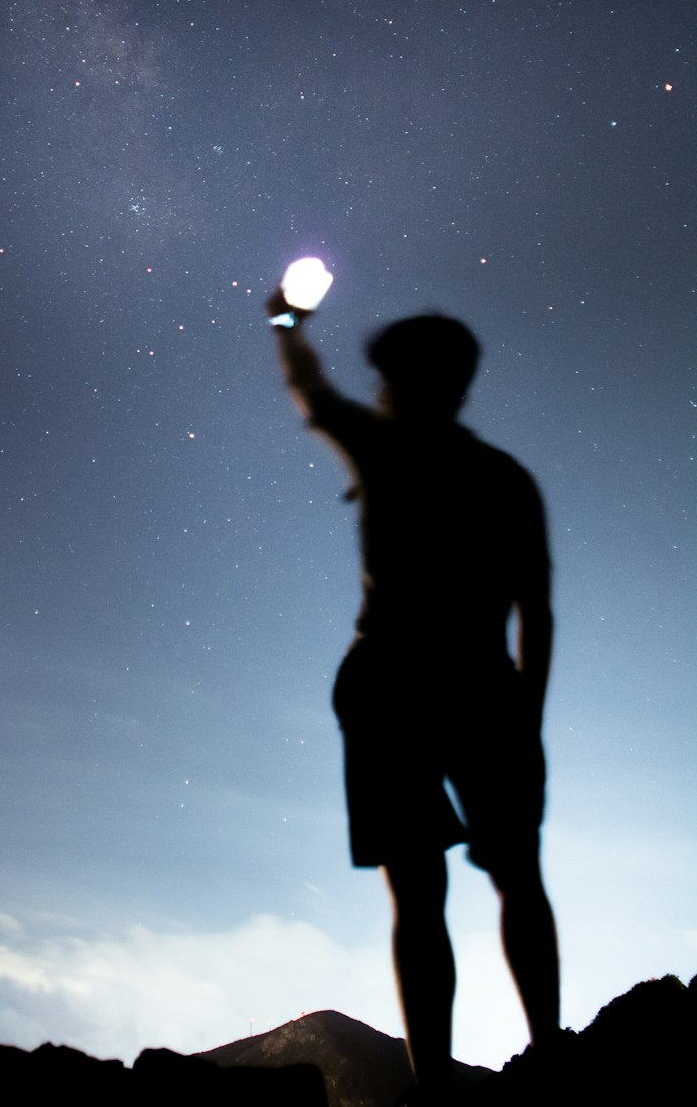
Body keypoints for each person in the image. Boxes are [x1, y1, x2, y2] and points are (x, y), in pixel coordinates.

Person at [266, 289, 561, 1104]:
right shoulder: (505, 479)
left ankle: (433, 1085)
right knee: (517, 875)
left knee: (418, 893)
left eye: (387, 376)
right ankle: (550, 1054)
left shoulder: (384, 448)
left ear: (399, 380)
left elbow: (312, 389)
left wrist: (286, 323)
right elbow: (534, 612)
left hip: (390, 680)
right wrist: (525, 721)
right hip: (479, 688)